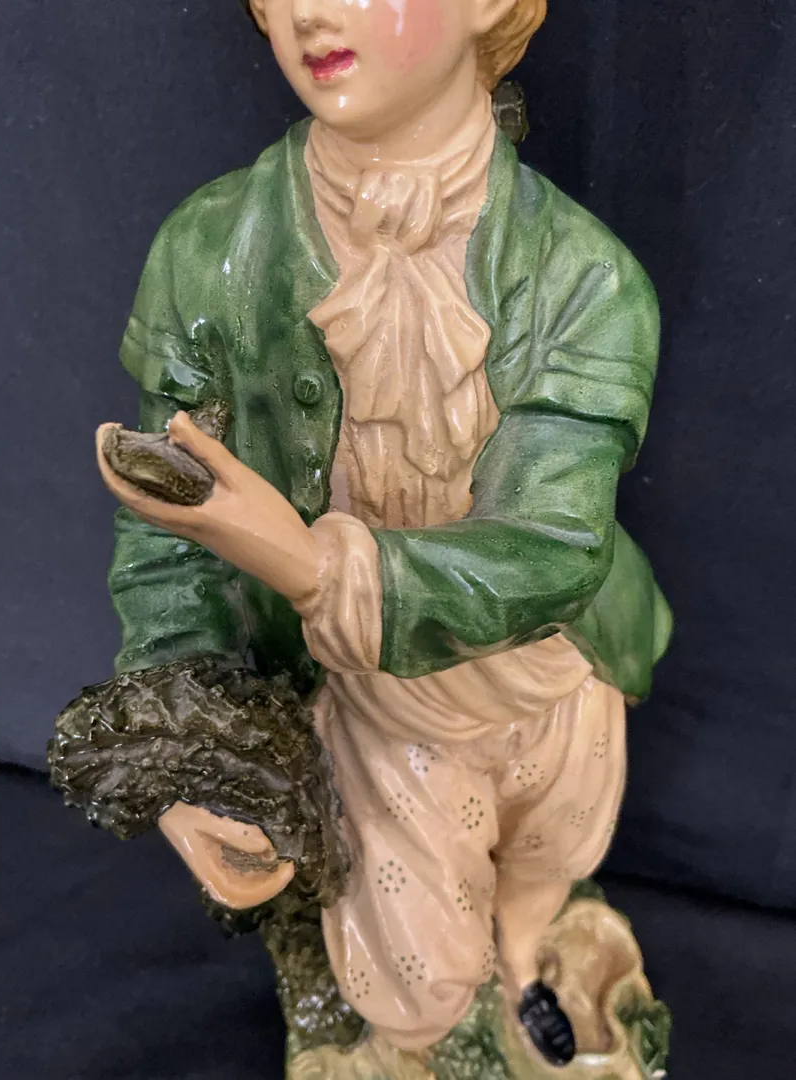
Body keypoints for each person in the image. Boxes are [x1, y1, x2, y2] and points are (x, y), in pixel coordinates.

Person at [96, 0, 670, 1068]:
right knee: (416, 972)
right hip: (373, 699)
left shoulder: (584, 277)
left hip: (556, 668)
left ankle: (527, 958)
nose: (310, 13)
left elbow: (554, 544)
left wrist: (314, 564)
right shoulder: (211, 252)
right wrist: (195, 752)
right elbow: (171, 542)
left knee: (550, 854)